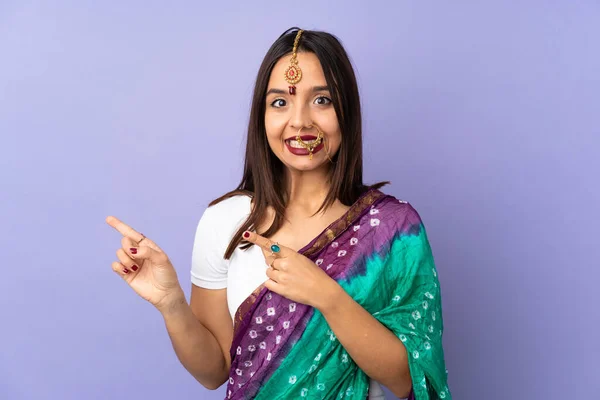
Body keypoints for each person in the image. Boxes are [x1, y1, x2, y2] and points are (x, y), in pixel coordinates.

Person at [106, 27, 452, 400]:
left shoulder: (391, 230)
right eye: (280, 103)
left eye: (322, 100)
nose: (300, 122)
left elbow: (410, 380)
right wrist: (171, 303)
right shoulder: (227, 220)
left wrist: (327, 296)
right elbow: (214, 372)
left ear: (346, 111)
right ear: (262, 116)